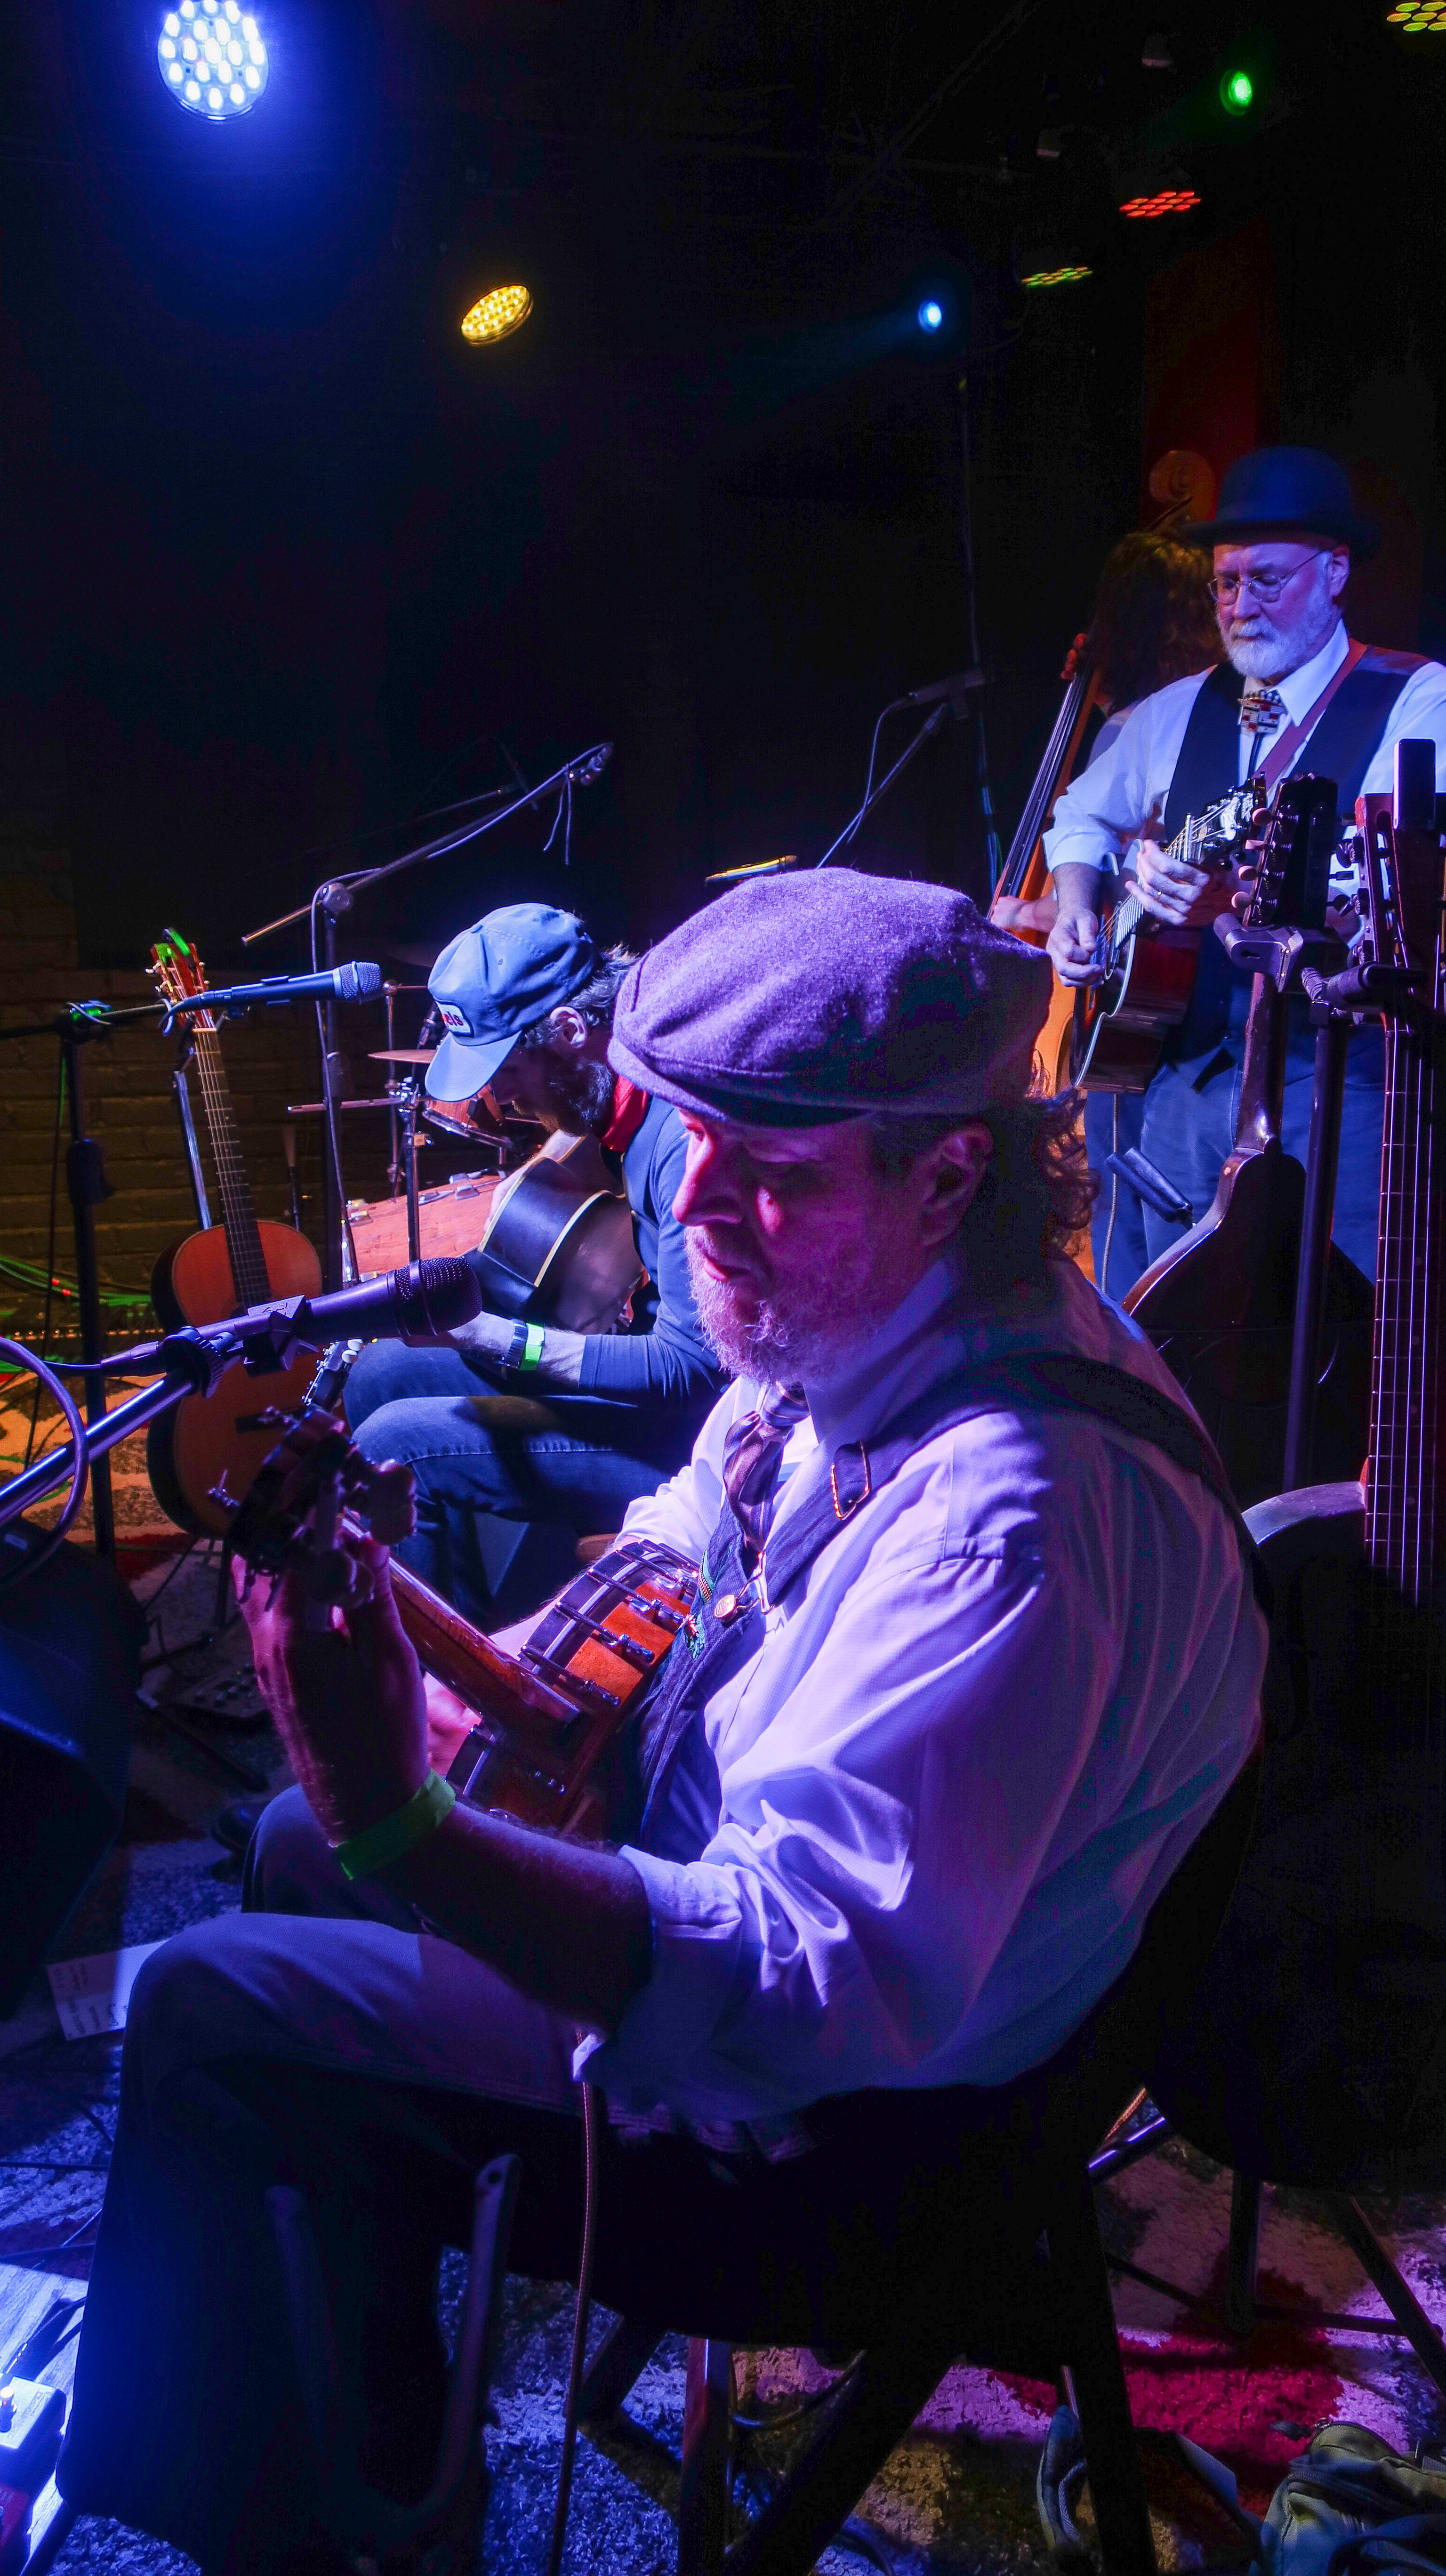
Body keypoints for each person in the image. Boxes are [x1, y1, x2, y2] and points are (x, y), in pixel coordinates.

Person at [58, 869, 1268, 2576]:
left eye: (763, 1164)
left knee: (216, 2004)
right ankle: (366, 2440)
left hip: (842, 2149)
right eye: (690, 1137)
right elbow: (686, 1532)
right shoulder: (880, 1315)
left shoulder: (1013, 1519)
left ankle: (324, 2503)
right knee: (284, 1840)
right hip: (784, 1967)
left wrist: (410, 1822)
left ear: (949, 1174)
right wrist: (476, 1663)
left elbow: (790, 1988)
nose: (693, 1200)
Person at [1044, 444, 1446, 1288]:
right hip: (1176, 1092)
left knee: (1329, 1334)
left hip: (1334, 1093)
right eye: (1224, 584)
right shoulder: (1181, 707)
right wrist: (1080, 908)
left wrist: (1226, 901)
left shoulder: (1416, 698)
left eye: (1265, 580)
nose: (1239, 606)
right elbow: (1080, 814)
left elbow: (1381, 884)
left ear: (1335, 572)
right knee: (1162, 1336)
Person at [344, 902, 726, 1629]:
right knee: (381, 1372)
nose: (502, 1099)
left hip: (691, 1439)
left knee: (395, 1447)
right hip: (652, 1403)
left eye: (510, 1071)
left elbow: (692, 1371)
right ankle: (464, 1627)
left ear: (571, 1031)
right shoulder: (614, 1100)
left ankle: (441, 1678)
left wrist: (492, 1337)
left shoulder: (679, 1135)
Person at [992, 526, 1223, 1294]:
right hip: (1187, 1016)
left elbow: (1089, 893)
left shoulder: (1135, 727)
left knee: (1123, 1219)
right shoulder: (1196, 718)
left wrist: (1023, 916)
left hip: (1140, 1006)